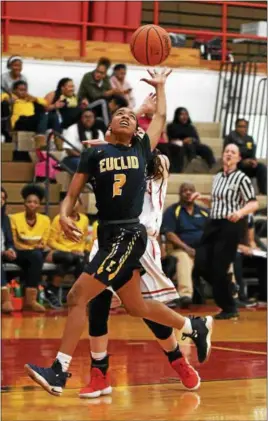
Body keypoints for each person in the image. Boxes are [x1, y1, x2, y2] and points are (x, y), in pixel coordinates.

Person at [25, 69, 213, 397]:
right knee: (136, 307)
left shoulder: (141, 151)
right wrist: (65, 214)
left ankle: (59, 372)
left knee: (77, 297)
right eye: (119, 115)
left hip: (130, 235)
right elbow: (72, 192)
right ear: (108, 126)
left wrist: (161, 88)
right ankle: (192, 327)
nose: (126, 117)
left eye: (131, 116)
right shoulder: (95, 153)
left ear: (137, 127)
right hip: (108, 234)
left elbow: (160, 118)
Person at [79, 151, 201, 397]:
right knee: (98, 304)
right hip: (108, 238)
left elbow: (153, 142)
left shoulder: (158, 163)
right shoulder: (111, 159)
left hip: (140, 241)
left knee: (146, 310)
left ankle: (178, 360)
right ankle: (99, 373)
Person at [192, 143, 259, 320]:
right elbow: (217, 202)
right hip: (213, 223)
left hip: (230, 226)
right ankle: (229, 288)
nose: (229, 154)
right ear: (223, 156)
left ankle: (229, 308)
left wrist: (240, 212)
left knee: (219, 267)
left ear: (238, 158)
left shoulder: (242, 178)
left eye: (233, 152)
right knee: (200, 262)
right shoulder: (217, 178)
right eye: (227, 151)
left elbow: (253, 203)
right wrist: (204, 198)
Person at [162, 182, 209, 308]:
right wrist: (187, 248)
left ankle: (232, 293)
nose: (188, 192)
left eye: (191, 190)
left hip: (202, 250)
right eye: (184, 190)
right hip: (180, 250)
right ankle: (185, 295)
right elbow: (169, 234)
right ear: (180, 194)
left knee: (223, 255)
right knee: (183, 258)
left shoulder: (204, 212)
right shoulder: (172, 211)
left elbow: (212, 231)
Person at [9, 184, 51, 312]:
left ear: (39, 205)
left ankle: (31, 300)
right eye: (29, 202)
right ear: (24, 204)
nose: (32, 204)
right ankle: (30, 300)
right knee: (35, 256)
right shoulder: (14, 218)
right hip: (18, 253)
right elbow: (15, 242)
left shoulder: (45, 220)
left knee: (37, 256)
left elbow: (44, 241)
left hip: (36, 253)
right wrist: (33, 246)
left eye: (35, 202)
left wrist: (38, 246)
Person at [45, 198, 89, 308]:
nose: (73, 205)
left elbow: (84, 240)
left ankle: (77, 294)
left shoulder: (84, 219)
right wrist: (69, 250)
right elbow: (51, 241)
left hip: (77, 253)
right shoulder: (58, 219)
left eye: (75, 203)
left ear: (80, 204)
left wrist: (81, 250)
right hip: (60, 251)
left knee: (82, 260)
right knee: (69, 258)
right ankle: (53, 290)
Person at [224, 118, 267, 194]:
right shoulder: (230, 138)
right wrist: (243, 161)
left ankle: (263, 192)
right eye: (240, 126)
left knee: (261, 167)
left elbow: (252, 153)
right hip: (236, 165)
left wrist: (253, 161)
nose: (242, 129)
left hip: (247, 165)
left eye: (244, 127)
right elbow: (228, 155)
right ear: (236, 127)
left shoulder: (249, 139)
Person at [166, 107, 215, 173]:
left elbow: (197, 140)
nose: (184, 117)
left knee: (206, 149)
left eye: (186, 114)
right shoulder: (171, 126)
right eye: (182, 114)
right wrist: (183, 141)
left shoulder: (191, 127)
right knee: (189, 146)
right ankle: (193, 163)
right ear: (177, 116)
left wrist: (192, 139)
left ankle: (213, 167)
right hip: (180, 146)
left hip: (194, 145)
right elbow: (170, 140)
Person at [1, 80, 47, 146]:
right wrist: (8, 99)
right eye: (21, 90)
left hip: (30, 121)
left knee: (48, 116)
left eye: (25, 90)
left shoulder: (29, 98)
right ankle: (40, 139)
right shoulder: (9, 96)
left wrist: (35, 99)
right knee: (42, 116)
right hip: (19, 122)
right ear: (14, 90)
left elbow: (45, 102)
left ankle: (44, 137)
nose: (23, 92)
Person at [234, 214, 267, 304]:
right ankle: (240, 296)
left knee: (263, 258)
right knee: (236, 257)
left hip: (244, 249)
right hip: (228, 249)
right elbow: (222, 240)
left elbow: (251, 240)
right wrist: (241, 247)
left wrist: (254, 248)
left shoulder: (248, 217)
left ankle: (264, 295)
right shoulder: (224, 215)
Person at [78, 58, 119, 126]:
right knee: (103, 102)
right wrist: (107, 93)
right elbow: (93, 95)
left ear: (105, 73)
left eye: (101, 73)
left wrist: (113, 94)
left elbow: (110, 92)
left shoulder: (106, 79)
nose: (98, 74)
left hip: (99, 104)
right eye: (97, 71)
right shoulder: (87, 77)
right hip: (87, 103)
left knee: (118, 100)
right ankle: (108, 126)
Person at [1, 187, 17, 313]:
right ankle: (5, 299)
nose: (1, 200)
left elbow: (10, 241)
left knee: (34, 256)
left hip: (4, 253)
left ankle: (30, 298)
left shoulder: (5, 219)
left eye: (3, 198)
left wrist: (11, 249)